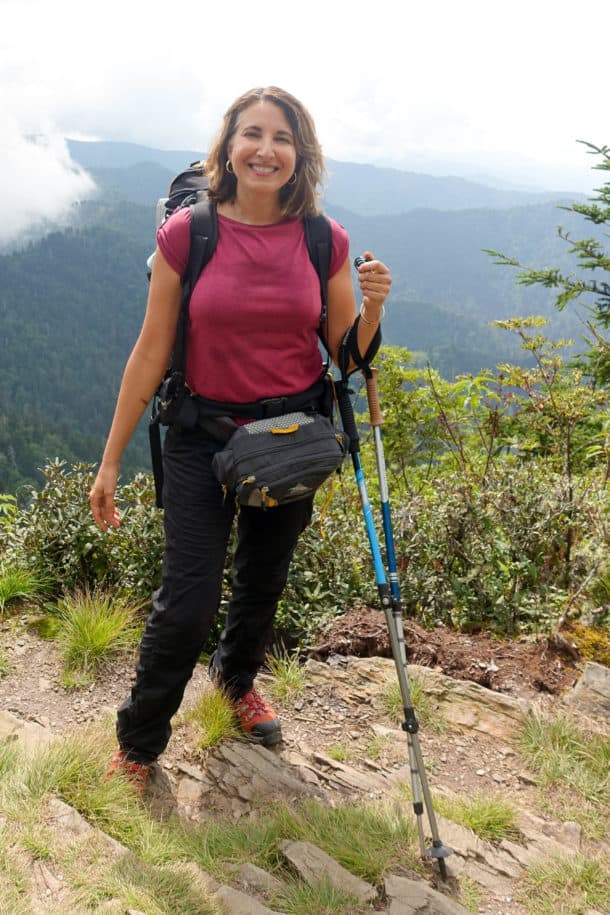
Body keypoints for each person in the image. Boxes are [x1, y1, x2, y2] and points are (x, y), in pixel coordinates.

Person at [89, 86, 392, 793]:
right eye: (251, 133)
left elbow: (347, 360)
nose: (265, 148)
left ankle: (235, 680)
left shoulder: (325, 240)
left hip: (291, 433)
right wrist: (109, 460)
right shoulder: (188, 235)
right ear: (227, 146)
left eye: (281, 137)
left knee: (263, 581)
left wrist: (373, 307)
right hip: (203, 435)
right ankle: (138, 744)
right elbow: (149, 353)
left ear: (300, 154)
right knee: (187, 600)